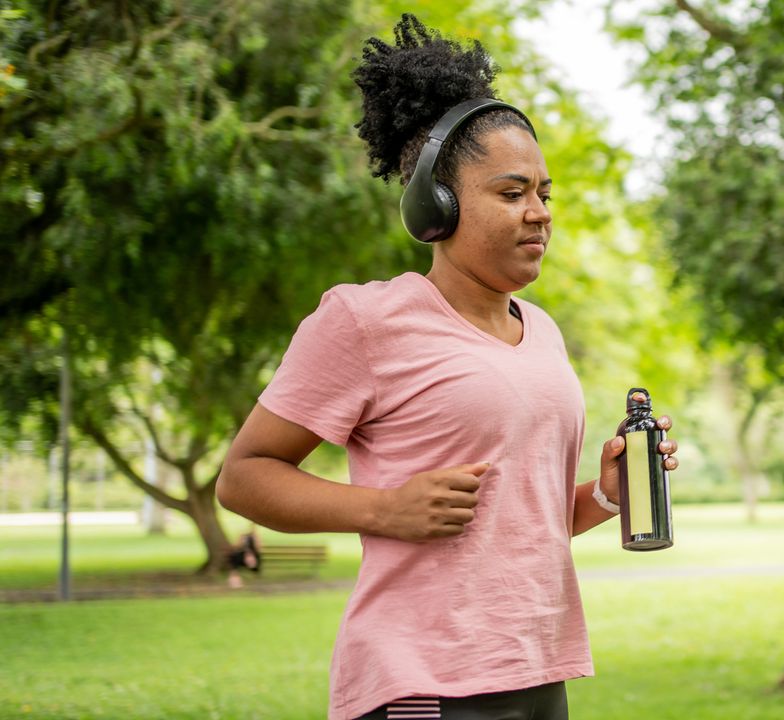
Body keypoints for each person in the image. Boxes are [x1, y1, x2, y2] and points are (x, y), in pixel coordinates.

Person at [215, 14, 679, 720]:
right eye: (512, 192)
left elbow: (524, 520)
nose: (539, 214)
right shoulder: (365, 320)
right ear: (436, 204)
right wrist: (381, 509)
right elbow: (244, 477)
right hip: (423, 683)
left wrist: (609, 494)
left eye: (545, 194)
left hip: (538, 668)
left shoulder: (544, 333)